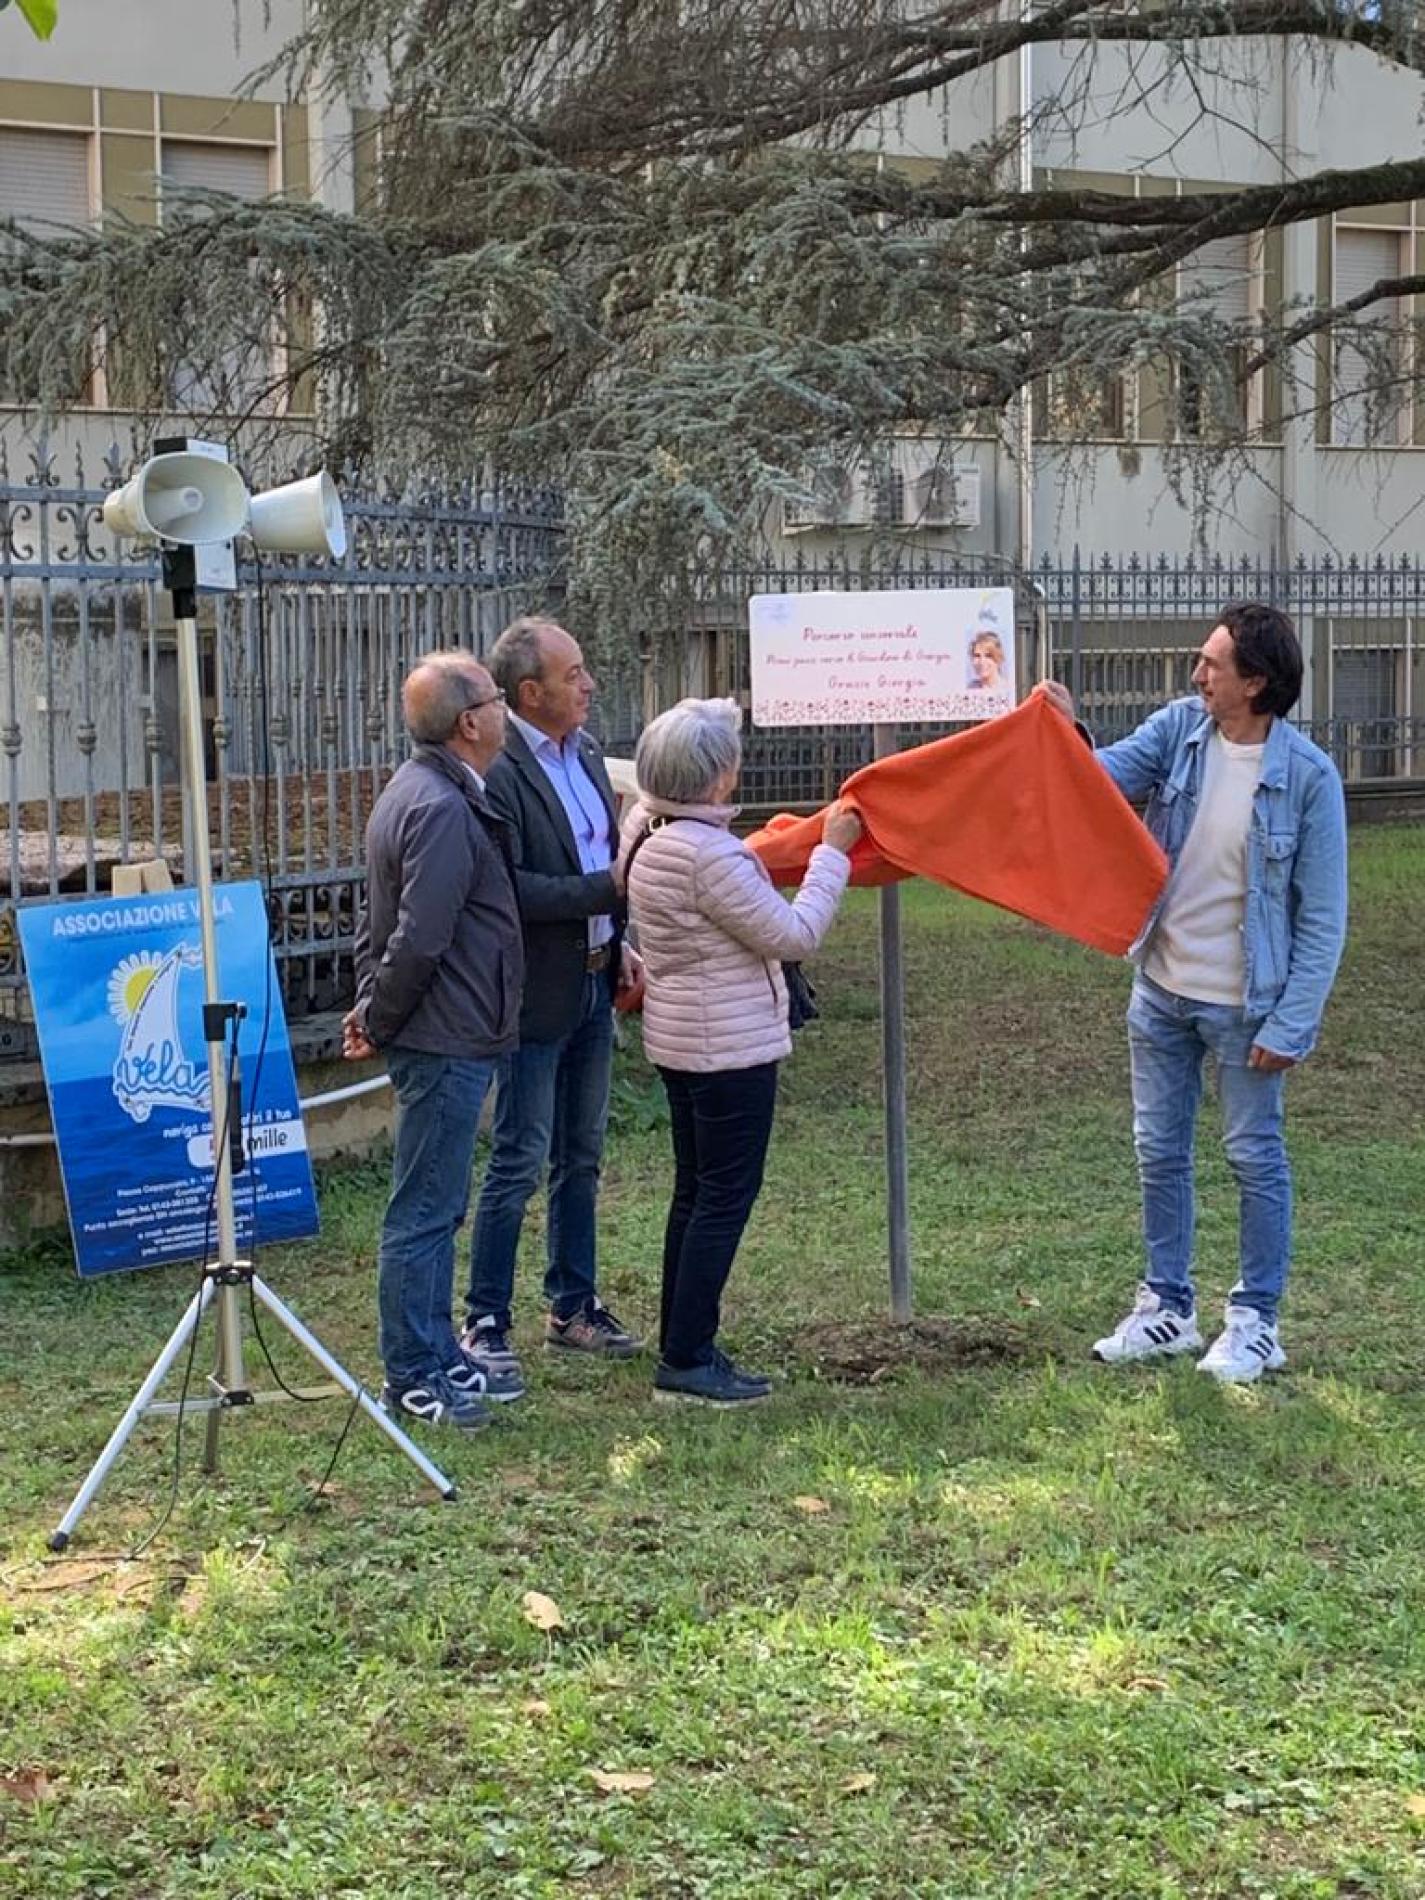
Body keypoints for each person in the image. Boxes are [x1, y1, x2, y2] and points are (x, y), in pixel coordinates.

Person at [1042, 603, 1348, 1382]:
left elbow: (1321, 919)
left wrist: (1291, 1023)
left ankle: (1254, 1323)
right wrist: (1065, 731)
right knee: (1157, 1150)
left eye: (1212, 664)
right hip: (1160, 990)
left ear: (1255, 682)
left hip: (1246, 1007)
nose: (1196, 673)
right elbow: (1097, 785)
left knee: (1252, 1156)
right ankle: (1166, 1309)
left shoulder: (1308, 778)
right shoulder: (1181, 730)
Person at [619, 697, 862, 1405]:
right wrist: (830, 854)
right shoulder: (710, 856)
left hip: (680, 1039)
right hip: (727, 1050)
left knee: (695, 1194)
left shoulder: (645, 826)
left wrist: (720, 708)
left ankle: (683, 1342)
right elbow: (793, 936)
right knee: (723, 1199)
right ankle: (688, 1358)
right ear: (718, 778)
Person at [461, 617, 642, 1397]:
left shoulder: (590, 754)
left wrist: (619, 934)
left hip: (596, 979)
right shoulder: (500, 772)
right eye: (572, 675)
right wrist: (605, 894)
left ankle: (573, 1304)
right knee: (518, 1155)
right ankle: (486, 1317)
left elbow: (603, 856)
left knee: (582, 1152)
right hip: (535, 994)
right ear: (528, 693)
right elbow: (510, 890)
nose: (588, 684)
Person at [343, 651, 523, 1429]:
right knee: (422, 1211)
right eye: (494, 696)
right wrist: (379, 1017)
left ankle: (436, 1349)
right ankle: (411, 1373)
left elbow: (377, 918)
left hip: (449, 1028)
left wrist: (369, 1006)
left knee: (439, 1205)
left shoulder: (427, 790)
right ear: (469, 722)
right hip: (443, 1033)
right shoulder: (442, 805)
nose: (507, 706)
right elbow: (417, 935)